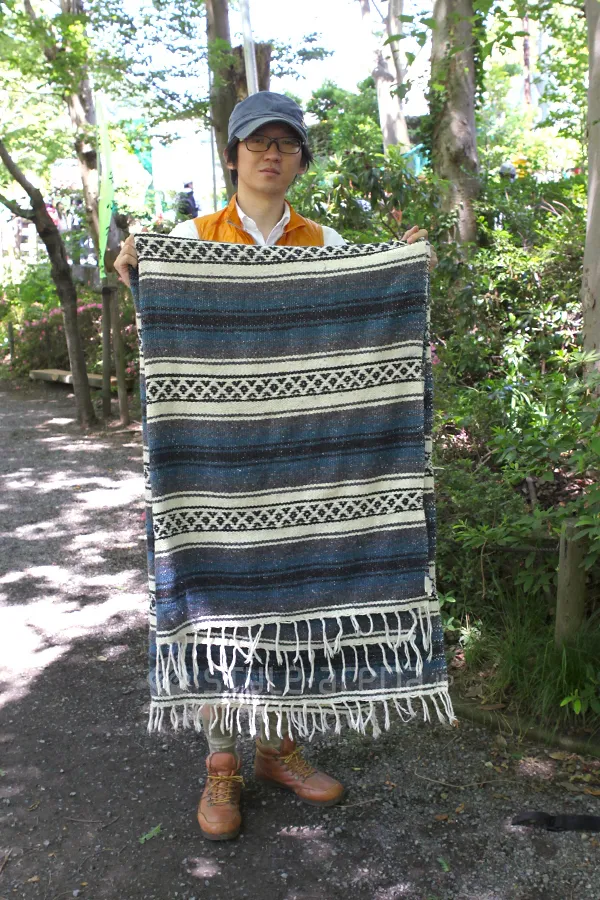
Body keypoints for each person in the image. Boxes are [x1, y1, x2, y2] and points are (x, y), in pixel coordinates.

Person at [114, 91, 434, 842]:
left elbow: (356, 335)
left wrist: (397, 271)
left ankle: (277, 750)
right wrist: (136, 275)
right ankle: (220, 764)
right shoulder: (191, 238)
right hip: (211, 467)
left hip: (299, 466)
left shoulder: (325, 243)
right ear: (232, 156)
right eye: (257, 142)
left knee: (292, 598)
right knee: (214, 607)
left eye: (286, 143)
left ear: (299, 160)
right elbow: (167, 330)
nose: (271, 154)